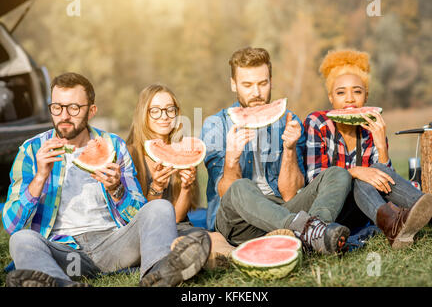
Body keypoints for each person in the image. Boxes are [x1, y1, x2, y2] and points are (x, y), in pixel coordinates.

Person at [3, 72, 211, 287]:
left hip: (114, 246)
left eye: (74, 108)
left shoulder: (115, 146)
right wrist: (40, 177)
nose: (64, 115)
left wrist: (116, 189)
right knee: (22, 240)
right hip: (65, 253)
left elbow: (138, 212)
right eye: (57, 107)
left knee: (158, 207)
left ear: (92, 110)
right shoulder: (31, 150)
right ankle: (61, 284)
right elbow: (12, 225)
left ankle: (158, 275)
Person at [201, 47, 353, 255]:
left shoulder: (287, 120)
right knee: (240, 186)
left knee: (338, 174)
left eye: (262, 84)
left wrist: (289, 149)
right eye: (247, 85)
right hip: (238, 225)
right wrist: (231, 160)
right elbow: (227, 195)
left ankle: (316, 235)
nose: (256, 93)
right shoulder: (216, 126)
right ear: (233, 84)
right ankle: (308, 231)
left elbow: (290, 193)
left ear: (271, 81)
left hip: (282, 216)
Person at [303, 49, 432, 248]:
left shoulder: (371, 126)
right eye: (341, 92)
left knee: (374, 174)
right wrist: (355, 172)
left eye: (357, 91)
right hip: (330, 212)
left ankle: (403, 224)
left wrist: (381, 145)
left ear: (366, 96)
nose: (350, 99)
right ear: (330, 97)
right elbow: (315, 179)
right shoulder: (317, 123)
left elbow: (387, 184)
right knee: (363, 177)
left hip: (365, 209)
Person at [125, 83, 235, 267]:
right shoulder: (130, 154)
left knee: (214, 236)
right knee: (183, 243)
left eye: (170, 110)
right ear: (144, 113)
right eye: (156, 111)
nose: (165, 117)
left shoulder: (184, 150)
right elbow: (140, 216)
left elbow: (177, 218)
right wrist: (156, 188)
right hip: (147, 233)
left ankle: (241, 257)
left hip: (179, 226)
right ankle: (203, 258)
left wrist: (186, 187)